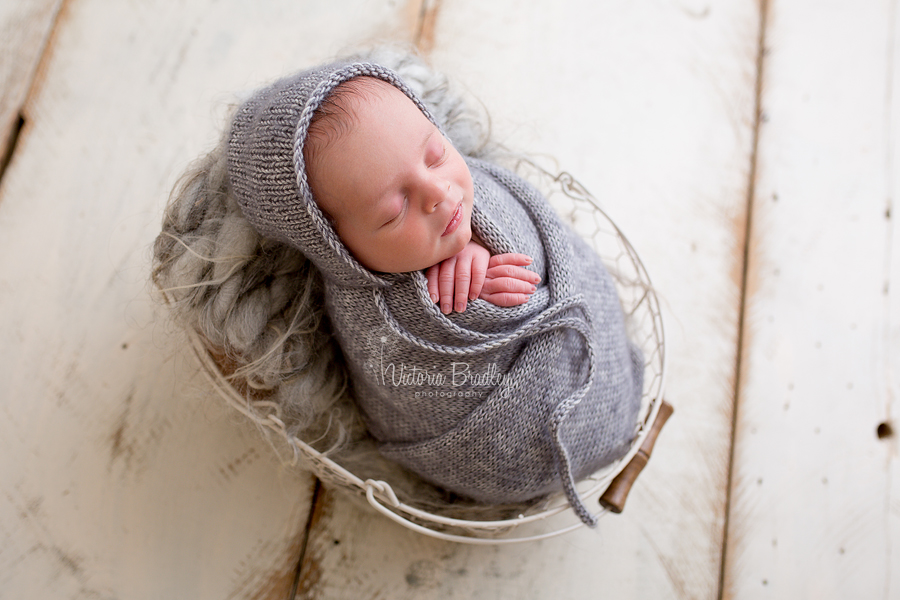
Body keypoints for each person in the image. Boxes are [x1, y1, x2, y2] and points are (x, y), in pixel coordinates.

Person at [162, 56, 644, 526]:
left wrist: (483, 243)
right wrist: (470, 313)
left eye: (435, 153)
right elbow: (409, 381)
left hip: (592, 356)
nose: (438, 193)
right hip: (499, 448)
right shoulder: (374, 314)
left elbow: (520, 217)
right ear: (338, 249)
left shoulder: (467, 189)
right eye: (394, 213)